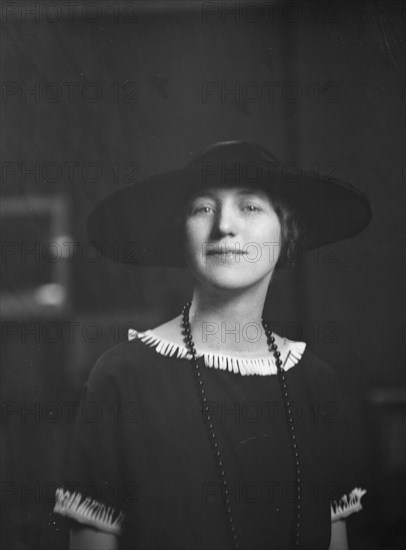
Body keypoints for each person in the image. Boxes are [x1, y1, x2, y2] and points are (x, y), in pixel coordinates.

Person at [54, 141, 371, 550]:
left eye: (250, 207)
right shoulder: (124, 375)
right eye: (203, 208)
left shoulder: (316, 382)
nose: (224, 225)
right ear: (181, 235)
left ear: (287, 231)